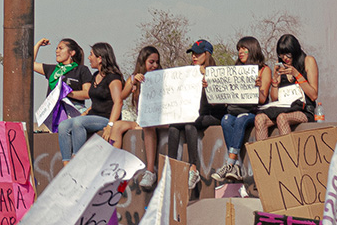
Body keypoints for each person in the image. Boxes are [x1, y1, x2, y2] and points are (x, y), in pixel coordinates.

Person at [167, 39, 227, 191]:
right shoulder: (189, 73)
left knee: (190, 124)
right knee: (174, 126)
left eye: (198, 54)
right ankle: (171, 168)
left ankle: (193, 169)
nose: (194, 57)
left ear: (207, 54)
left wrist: (209, 85)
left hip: (213, 114)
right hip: (195, 114)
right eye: (193, 53)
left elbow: (218, 102)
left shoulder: (216, 72)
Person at [212, 36, 272, 182]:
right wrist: (211, 88)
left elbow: (263, 99)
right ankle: (237, 165)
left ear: (252, 49)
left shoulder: (264, 70)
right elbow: (222, 97)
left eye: (244, 48)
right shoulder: (235, 70)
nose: (240, 52)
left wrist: (257, 87)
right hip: (234, 110)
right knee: (226, 120)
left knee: (241, 119)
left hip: (253, 112)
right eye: (239, 49)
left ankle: (230, 163)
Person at [56, 43, 124, 164]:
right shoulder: (95, 76)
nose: (88, 58)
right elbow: (97, 100)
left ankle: (78, 161)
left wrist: (110, 125)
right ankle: (67, 165)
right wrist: (86, 112)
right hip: (92, 116)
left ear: (100, 58)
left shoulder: (113, 78)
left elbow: (118, 102)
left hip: (106, 118)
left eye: (91, 54)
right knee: (63, 126)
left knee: (78, 123)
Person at [106, 46, 162, 189]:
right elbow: (122, 97)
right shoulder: (135, 78)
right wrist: (133, 82)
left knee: (148, 127)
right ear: (143, 62)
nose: (155, 65)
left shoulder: (161, 77)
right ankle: (113, 167)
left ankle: (150, 171)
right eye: (151, 62)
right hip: (140, 119)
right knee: (117, 126)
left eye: (157, 62)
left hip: (157, 120)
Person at [254, 34, 320, 140]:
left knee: (282, 118)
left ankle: (287, 155)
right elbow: (274, 98)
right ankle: (264, 155)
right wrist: (275, 80)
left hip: (303, 109)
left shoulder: (308, 61)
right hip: (284, 107)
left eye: (288, 54)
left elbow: (313, 95)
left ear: (295, 51)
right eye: (281, 55)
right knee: (259, 119)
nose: (285, 58)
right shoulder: (280, 65)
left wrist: (296, 74)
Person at [33, 37, 92, 114]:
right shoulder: (53, 69)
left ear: (71, 53)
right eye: (56, 48)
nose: (57, 51)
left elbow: (87, 93)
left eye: (61, 48)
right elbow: (30, 64)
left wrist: (67, 93)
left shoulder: (81, 70)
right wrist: (38, 44)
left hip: (74, 111)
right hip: (55, 113)